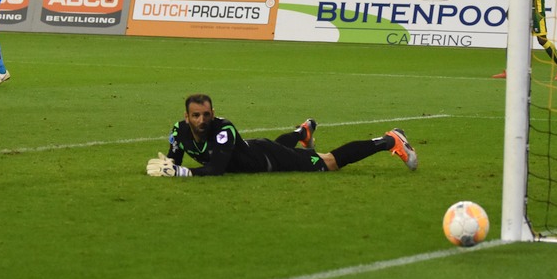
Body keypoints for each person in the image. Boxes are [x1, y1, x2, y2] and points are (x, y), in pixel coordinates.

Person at [146, 94, 417, 177]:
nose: (201, 120)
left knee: (328, 163)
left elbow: (216, 168)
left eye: (206, 115)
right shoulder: (178, 131)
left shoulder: (223, 129)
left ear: (213, 113)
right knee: (284, 147)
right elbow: (174, 159)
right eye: (195, 116)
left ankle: (389, 140)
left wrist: (184, 174)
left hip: (269, 159)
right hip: (257, 151)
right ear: (186, 117)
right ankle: (303, 131)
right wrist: (171, 166)